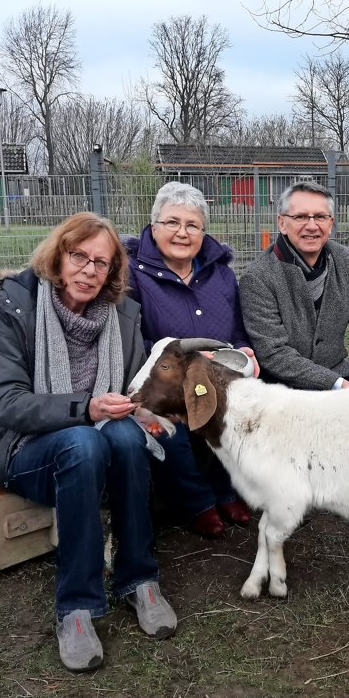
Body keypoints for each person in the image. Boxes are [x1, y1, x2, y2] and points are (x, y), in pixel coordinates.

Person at [0, 211, 177, 673]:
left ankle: (139, 578)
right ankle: (78, 607)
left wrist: (147, 406)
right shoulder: (14, 307)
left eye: (101, 263)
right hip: (21, 447)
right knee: (82, 444)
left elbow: (134, 381)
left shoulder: (123, 313)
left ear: (112, 271)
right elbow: (5, 402)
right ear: (57, 257)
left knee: (127, 439)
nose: (88, 270)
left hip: (100, 438)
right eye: (78, 256)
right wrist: (85, 408)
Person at [121, 181, 256, 538]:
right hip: (162, 380)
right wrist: (190, 361)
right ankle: (197, 502)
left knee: (236, 408)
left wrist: (244, 350)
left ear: (203, 231)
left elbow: (239, 330)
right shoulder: (132, 273)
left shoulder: (221, 274)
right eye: (172, 222)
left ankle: (227, 489)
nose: (182, 232)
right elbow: (133, 340)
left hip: (219, 374)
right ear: (154, 227)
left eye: (192, 225)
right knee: (171, 423)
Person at [239, 180, 349, 390]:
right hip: (284, 387)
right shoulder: (258, 277)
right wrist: (340, 387)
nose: (311, 225)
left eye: (320, 216)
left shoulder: (344, 259)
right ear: (282, 223)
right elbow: (274, 353)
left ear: (330, 222)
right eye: (300, 217)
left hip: (337, 370)